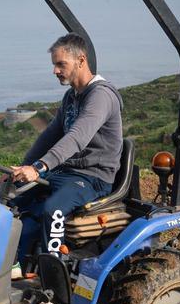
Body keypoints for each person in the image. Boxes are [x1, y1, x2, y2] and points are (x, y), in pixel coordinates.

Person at [9, 33, 123, 265]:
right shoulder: (72, 96)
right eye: (54, 65)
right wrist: (25, 167)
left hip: (93, 177)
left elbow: (77, 137)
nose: (55, 70)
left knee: (53, 209)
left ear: (81, 60)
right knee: (10, 193)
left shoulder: (101, 96)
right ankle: (14, 260)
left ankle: (52, 273)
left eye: (61, 64)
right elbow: (49, 136)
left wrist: (39, 167)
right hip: (67, 171)